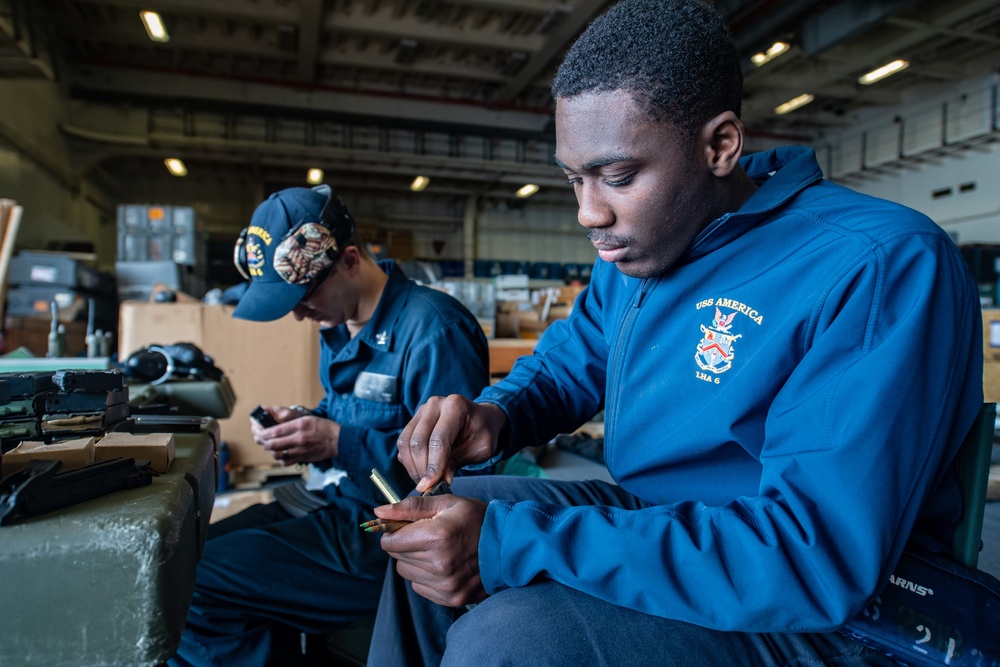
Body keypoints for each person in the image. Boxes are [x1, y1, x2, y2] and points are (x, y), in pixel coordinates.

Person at [365, 0, 984, 664]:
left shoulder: (876, 264)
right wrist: (498, 412)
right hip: (659, 516)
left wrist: (516, 540)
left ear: (720, 145)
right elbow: (573, 362)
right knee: (431, 526)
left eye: (618, 176)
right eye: (574, 179)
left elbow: (813, 551)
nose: (587, 212)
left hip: (820, 604)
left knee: (510, 638)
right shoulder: (646, 245)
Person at [170, 184, 490, 666]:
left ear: (350, 260)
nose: (299, 314)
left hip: (389, 531)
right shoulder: (336, 324)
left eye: (304, 296)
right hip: (336, 501)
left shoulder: (434, 331)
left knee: (194, 585)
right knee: (177, 557)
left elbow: (456, 482)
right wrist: (307, 426)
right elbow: (345, 411)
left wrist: (341, 442)